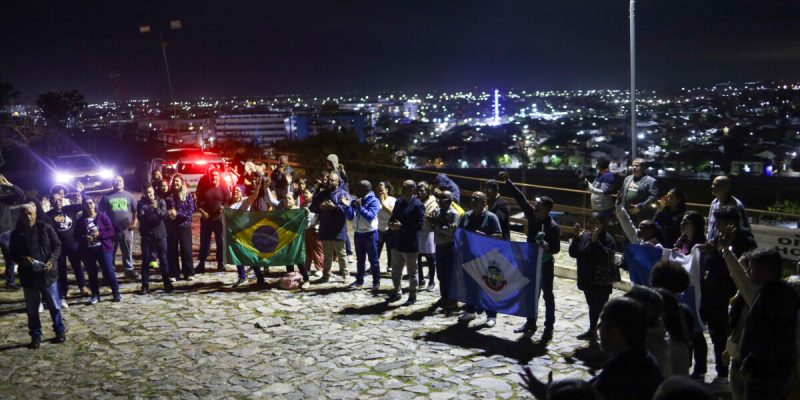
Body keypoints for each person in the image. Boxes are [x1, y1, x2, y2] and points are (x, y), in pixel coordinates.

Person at [718, 238, 798, 399]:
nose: (748, 271)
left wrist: (750, 363)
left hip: (763, 375)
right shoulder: (779, 294)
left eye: (751, 267)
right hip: (775, 372)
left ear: (764, 271)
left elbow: (766, 337)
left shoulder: (771, 299)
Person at [499, 171, 560, 338]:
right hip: (532, 262)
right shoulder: (533, 216)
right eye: (536, 204)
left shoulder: (553, 227)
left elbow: (556, 249)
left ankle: (549, 326)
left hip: (545, 263)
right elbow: (521, 199)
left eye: (539, 204)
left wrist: (548, 247)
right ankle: (530, 322)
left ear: (547, 209)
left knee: (547, 294)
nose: (536, 205)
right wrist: (508, 182)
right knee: (531, 293)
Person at [701, 206, 756, 386]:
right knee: (716, 335)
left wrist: (718, 254)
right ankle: (721, 372)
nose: (717, 226)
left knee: (732, 337)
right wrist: (711, 253)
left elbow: (738, 271)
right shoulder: (719, 238)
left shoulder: (745, 241)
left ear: (730, 222)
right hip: (714, 294)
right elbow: (712, 263)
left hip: (732, 295)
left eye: (720, 222)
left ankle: (733, 376)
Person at [9, 203, 66, 349]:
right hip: (28, 276)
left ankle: (59, 331)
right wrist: (23, 259)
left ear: (35, 213)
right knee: (32, 309)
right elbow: (13, 254)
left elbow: (57, 245)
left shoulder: (45, 228)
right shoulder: (17, 234)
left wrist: (51, 260)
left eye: (30, 213)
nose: (28, 217)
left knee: (54, 305)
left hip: (47, 275)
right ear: (20, 216)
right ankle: (35, 335)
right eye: (24, 214)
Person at [592, 296, 664, 400]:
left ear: (614, 332)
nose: (598, 326)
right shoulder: (646, 359)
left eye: (602, 322)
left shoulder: (615, 379)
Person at [458, 191, 503, 327]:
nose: (472, 201)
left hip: (486, 257)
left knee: (488, 287)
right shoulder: (466, 216)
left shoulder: (491, 217)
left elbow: (499, 237)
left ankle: (491, 315)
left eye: (476, 199)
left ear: (484, 203)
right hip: (469, 256)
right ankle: (470, 310)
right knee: (470, 285)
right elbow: (460, 233)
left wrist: (483, 235)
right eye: (472, 198)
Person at [672, 210, 708, 380]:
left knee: (696, 332)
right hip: (682, 289)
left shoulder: (701, 246)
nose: (682, 224)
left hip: (695, 292)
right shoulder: (682, 241)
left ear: (695, 225)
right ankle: (685, 365)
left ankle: (700, 370)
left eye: (686, 222)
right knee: (684, 329)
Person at [569, 212, 616, 340]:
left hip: (601, 281)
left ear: (602, 224)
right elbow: (573, 253)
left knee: (600, 307)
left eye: (595, 222)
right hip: (587, 279)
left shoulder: (608, 239)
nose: (590, 225)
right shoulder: (584, 236)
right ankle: (592, 330)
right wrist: (576, 238)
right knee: (592, 305)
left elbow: (606, 258)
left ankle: (606, 331)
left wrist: (595, 242)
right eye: (589, 222)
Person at [74, 197, 121, 304]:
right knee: (92, 273)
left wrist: (100, 234)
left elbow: (111, 231)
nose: (89, 205)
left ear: (94, 204)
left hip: (104, 248)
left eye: (90, 203)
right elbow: (76, 235)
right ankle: (95, 295)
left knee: (109, 271)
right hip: (88, 250)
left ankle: (116, 293)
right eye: (86, 204)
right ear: (83, 206)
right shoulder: (81, 220)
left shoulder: (102, 216)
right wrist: (84, 238)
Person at [45, 192, 89, 305]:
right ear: (51, 202)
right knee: (61, 269)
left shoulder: (69, 209)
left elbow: (84, 204)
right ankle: (65, 290)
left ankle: (82, 287)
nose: (57, 201)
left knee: (77, 266)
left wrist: (82, 193)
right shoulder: (48, 215)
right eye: (54, 200)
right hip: (58, 246)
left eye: (59, 199)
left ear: (62, 199)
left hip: (73, 244)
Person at [308, 171, 351, 283]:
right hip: (325, 228)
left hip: (338, 229)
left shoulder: (343, 194)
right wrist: (320, 206)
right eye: (329, 180)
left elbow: (347, 209)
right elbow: (313, 206)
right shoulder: (323, 194)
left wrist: (335, 207)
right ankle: (326, 274)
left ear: (338, 182)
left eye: (332, 180)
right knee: (327, 255)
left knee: (341, 254)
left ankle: (345, 274)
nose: (329, 182)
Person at [387, 180, 425, 305]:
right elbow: (392, 218)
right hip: (396, 242)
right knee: (396, 271)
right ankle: (397, 291)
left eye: (405, 187)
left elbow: (419, 226)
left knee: (412, 273)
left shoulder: (418, 205)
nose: (402, 189)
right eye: (402, 186)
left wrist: (402, 227)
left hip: (410, 244)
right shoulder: (398, 202)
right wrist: (391, 225)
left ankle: (412, 295)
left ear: (412, 189)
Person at [99, 175, 140, 279]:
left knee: (127, 251)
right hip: (111, 230)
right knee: (110, 251)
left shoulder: (129, 196)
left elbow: (136, 211)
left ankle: (129, 270)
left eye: (120, 180)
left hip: (126, 229)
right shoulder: (106, 197)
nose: (118, 182)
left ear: (123, 182)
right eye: (115, 181)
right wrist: (104, 227)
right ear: (112, 183)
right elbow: (100, 214)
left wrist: (134, 224)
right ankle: (109, 272)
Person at [137, 185, 174, 295]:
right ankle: (145, 285)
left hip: (160, 234)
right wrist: (144, 213)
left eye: (150, 192)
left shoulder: (161, 201)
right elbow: (141, 218)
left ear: (154, 191)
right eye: (147, 193)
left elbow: (164, 216)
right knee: (145, 261)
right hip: (147, 235)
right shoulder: (141, 203)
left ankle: (167, 283)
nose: (149, 195)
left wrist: (157, 208)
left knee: (163, 259)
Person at [347, 180, 381, 290]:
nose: (356, 190)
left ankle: (376, 281)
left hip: (370, 234)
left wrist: (360, 207)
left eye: (358, 188)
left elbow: (370, 216)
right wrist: (347, 206)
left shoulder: (374, 201)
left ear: (365, 189)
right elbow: (350, 217)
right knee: (360, 259)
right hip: (358, 233)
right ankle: (359, 280)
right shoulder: (357, 199)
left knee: (373, 260)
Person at [195, 168, 231, 273]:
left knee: (220, 242)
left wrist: (222, 211)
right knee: (204, 242)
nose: (214, 177)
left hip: (218, 219)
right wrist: (202, 212)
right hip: (206, 219)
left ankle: (220, 264)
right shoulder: (205, 186)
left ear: (219, 177)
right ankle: (201, 264)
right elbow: (198, 202)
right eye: (212, 175)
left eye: (216, 175)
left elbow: (228, 201)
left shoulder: (223, 186)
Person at [429, 190, 460, 309]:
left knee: (450, 274)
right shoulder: (437, 211)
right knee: (441, 274)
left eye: (443, 200)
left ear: (450, 201)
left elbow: (450, 232)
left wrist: (436, 225)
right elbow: (434, 227)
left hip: (449, 247)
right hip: (439, 246)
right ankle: (444, 297)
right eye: (439, 199)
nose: (440, 202)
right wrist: (433, 223)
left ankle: (453, 299)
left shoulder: (454, 214)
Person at [165, 174, 195, 281]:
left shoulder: (188, 195)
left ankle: (188, 272)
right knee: (172, 250)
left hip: (184, 226)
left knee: (186, 249)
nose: (175, 183)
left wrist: (177, 213)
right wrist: (169, 213)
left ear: (182, 182)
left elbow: (190, 211)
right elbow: (165, 209)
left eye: (177, 181)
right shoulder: (169, 195)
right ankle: (174, 273)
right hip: (172, 226)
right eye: (174, 181)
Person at [707, 175, 750, 243]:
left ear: (726, 188)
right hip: (713, 244)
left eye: (716, 185)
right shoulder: (714, 203)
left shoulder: (736, 205)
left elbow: (743, 227)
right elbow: (710, 224)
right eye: (712, 184)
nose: (712, 186)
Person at [1, 174, 26, 289]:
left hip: (5, 232)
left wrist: (9, 184)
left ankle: (10, 283)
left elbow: (20, 193)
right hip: (5, 231)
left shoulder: (3, 197)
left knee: (10, 258)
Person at [618, 158, 659, 224]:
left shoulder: (651, 181)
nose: (634, 167)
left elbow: (653, 197)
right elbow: (622, 194)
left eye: (637, 166)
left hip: (640, 214)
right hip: (625, 213)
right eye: (633, 165)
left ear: (643, 168)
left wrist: (640, 207)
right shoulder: (627, 178)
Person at [416, 182, 437, 292]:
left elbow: (437, 219)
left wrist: (431, 219)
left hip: (429, 232)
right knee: (417, 257)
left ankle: (431, 281)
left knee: (430, 257)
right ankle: (421, 279)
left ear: (428, 191)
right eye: (418, 190)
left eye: (422, 190)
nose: (420, 192)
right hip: (418, 231)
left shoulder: (434, 203)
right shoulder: (416, 201)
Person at [376, 181, 396, 273]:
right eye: (378, 190)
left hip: (390, 228)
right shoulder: (376, 200)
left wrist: (383, 203)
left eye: (382, 190)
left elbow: (392, 213)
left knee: (390, 249)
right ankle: (374, 265)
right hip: (379, 228)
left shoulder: (392, 200)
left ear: (387, 190)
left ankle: (390, 266)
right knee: (377, 248)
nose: (380, 192)